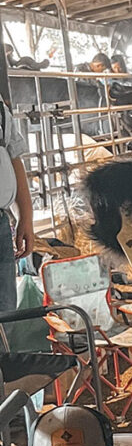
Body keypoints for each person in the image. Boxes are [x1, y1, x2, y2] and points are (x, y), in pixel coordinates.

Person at [0, 100, 35, 312]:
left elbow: (14, 158)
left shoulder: (0, 109)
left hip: (1, 225)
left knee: (6, 309)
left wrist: (26, 217)